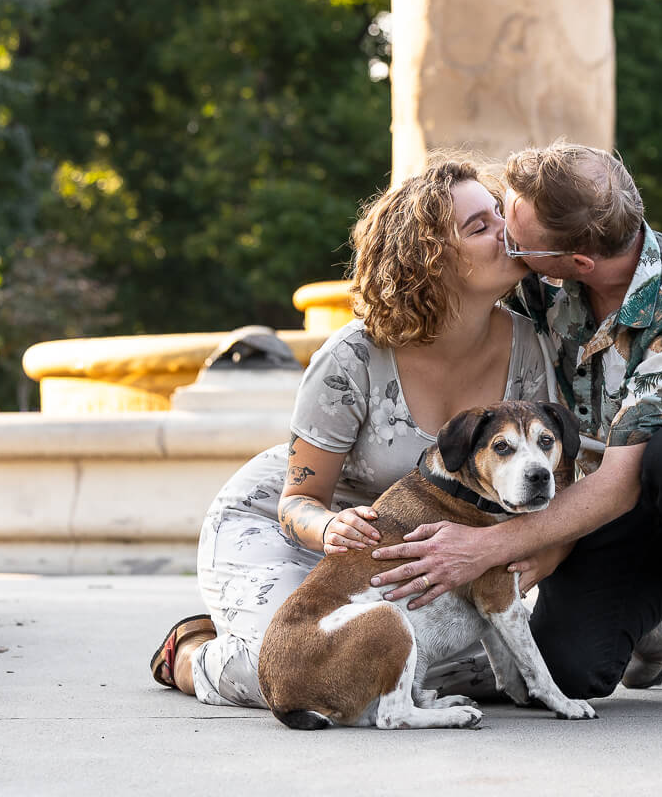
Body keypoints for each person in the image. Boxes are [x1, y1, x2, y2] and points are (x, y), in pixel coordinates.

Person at [368, 142, 662, 715]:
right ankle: (645, 620)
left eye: (516, 233)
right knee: (568, 672)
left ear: (578, 261)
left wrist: (485, 547)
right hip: (615, 504)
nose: (506, 236)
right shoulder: (544, 280)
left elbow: (623, 478)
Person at [148, 158, 552, 707]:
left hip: (404, 556)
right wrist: (331, 526)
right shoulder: (351, 359)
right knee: (295, 676)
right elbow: (298, 501)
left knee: (474, 671)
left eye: (500, 215)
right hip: (295, 530)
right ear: (429, 260)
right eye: (479, 227)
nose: (506, 232)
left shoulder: (531, 348)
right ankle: (194, 654)